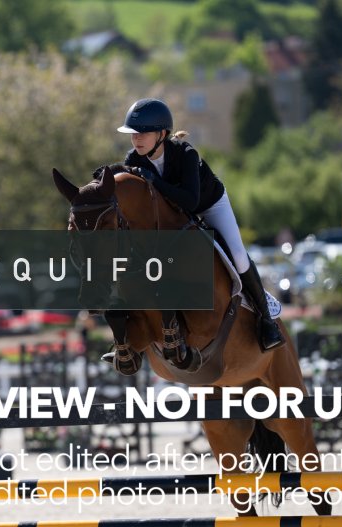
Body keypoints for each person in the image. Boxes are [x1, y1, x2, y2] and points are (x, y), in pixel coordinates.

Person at [103, 98, 284, 369]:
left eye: (143, 133)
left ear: (162, 134)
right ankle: (128, 340)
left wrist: (155, 181)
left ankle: (266, 321)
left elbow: (190, 200)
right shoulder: (133, 159)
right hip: (174, 215)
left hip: (208, 205)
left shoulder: (186, 154)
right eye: (133, 134)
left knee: (237, 254)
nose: (136, 139)